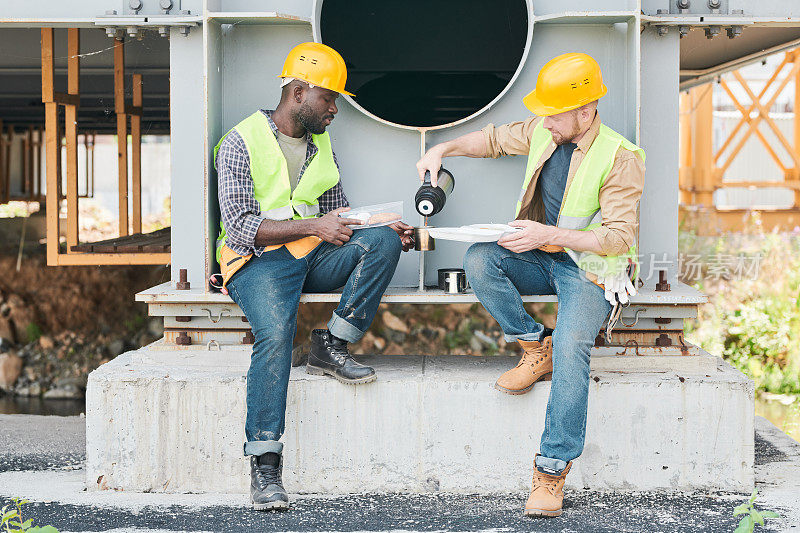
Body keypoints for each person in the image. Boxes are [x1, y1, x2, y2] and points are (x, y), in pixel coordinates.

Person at [415, 52, 645, 517]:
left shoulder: (621, 156)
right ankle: (534, 345)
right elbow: (495, 139)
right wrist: (443, 150)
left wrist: (548, 236)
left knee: (574, 346)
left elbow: (620, 235)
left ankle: (551, 471)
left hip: (591, 268)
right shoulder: (547, 128)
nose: (545, 121)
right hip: (544, 254)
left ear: (585, 111)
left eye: (555, 113)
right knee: (481, 260)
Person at [215, 42, 414, 511]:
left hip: (310, 254)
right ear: (299, 92)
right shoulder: (240, 141)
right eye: (329, 99)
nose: (333, 110)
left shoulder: (320, 143)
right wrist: (313, 227)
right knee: (276, 336)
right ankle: (265, 466)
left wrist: (381, 224)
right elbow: (243, 226)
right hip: (256, 262)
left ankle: (331, 344)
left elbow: (333, 213)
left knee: (383, 242)